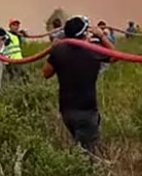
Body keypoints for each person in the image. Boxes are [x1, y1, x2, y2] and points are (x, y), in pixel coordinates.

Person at [43, 16, 114, 155]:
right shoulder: (92, 51)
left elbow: (46, 73)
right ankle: (85, 173)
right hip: (86, 111)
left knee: (80, 144)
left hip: (66, 111)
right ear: (83, 34)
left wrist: (53, 50)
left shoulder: (59, 51)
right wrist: (102, 36)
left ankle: (75, 164)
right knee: (90, 152)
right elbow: (115, 56)